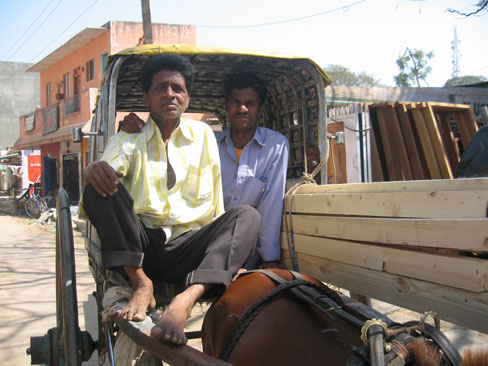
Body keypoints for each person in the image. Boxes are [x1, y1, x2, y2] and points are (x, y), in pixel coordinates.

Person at [81, 54, 260, 345]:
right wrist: (95, 170)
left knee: (246, 216)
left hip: (188, 247)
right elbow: (109, 171)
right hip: (140, 249)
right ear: (146, 98)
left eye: (177, 88)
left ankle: (185, 300)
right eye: (160, 87)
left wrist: (225, 253)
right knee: (98, 186)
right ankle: (141, 283)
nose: (170, 94)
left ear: (187, 97)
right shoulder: (129, 137)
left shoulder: (203, 134)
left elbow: (215, 201)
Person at [120, 73, 289, 269]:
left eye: (249, 103)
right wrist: (130, 131)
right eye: (235, 102)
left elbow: (271, 203)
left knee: (247, 214)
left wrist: (269, 258)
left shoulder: (275, 146)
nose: (242, 109)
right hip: (200, 241)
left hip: (244, 247)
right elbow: (165, 148)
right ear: (227, 106)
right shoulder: (206, 141)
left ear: (260, 108)